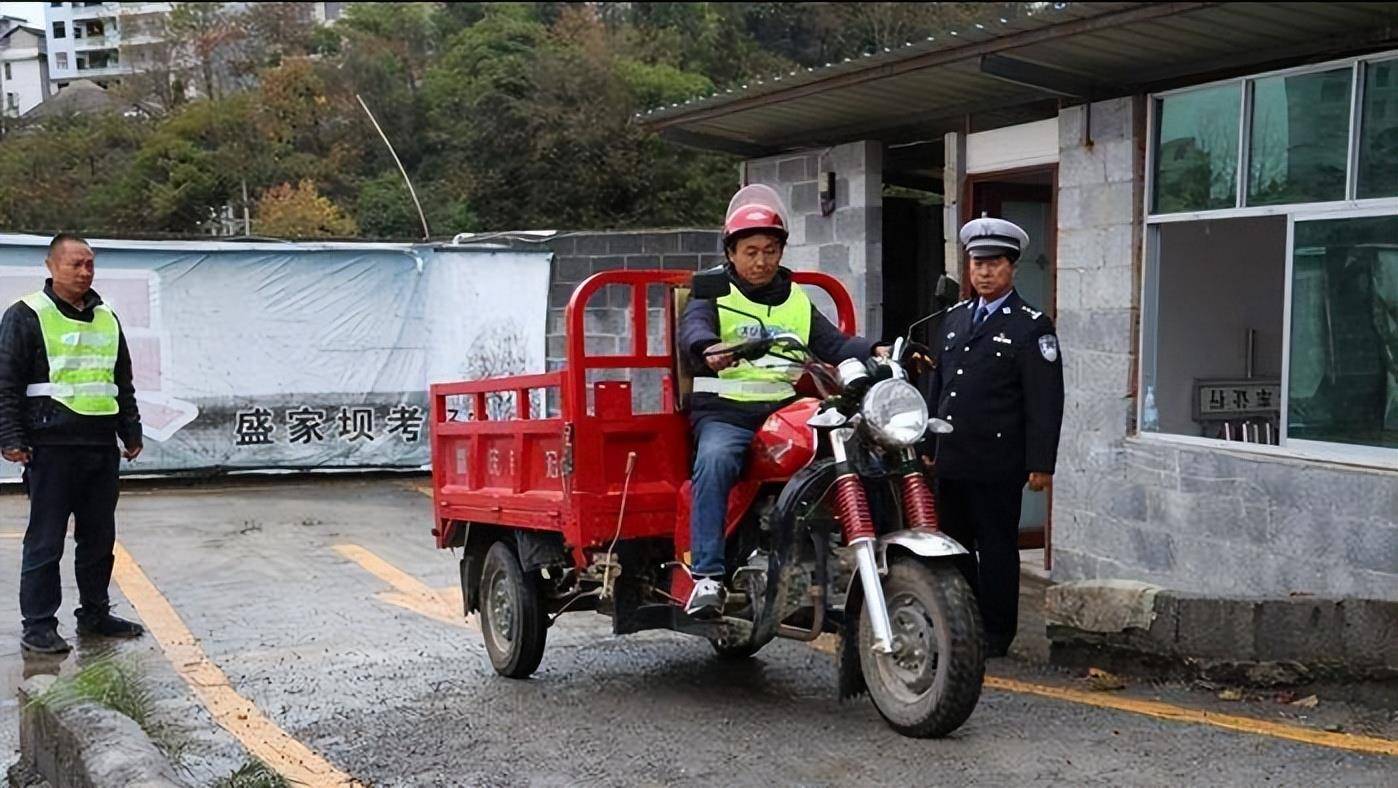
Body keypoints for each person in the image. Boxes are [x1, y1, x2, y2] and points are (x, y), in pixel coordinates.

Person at [677, 185, 885, 617]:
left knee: (857, 438)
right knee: (714, 461)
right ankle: (709, 577)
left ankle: (866, 550)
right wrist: (710, 348)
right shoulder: (710, 292)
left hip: (782, 412)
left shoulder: (796, 298)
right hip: (725, 414)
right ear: (731, 253)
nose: (761, 261)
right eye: (750, 251)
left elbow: (835, 343)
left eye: (770, 250)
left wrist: (875, 351)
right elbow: (694, 332)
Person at [924, 217, 1064, 657]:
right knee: (952, 546)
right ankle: (960, 622)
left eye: (994, 263)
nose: (984, 272)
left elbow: (1045, 400)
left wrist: (1041, 462)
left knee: (997, 547)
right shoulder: (953, 319)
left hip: (996, 460)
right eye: (977, 263)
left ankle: (997, 632)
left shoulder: (1031, 326)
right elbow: (939, 387)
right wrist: (928, 445)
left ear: (1012, 268)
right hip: (951, 456)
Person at [0, 233, 145, 654]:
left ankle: (95, 613)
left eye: (89, 265)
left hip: (100, 445)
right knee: (46, 538)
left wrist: (130, 429)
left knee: (99, 537)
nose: (84, 272)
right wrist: (11, 437)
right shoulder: (26, 315)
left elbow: (121, 380)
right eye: (74, 264)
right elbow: (7, 383)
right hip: (51, 445)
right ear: (51, 266)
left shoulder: (106, 317)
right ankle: (39, 624)